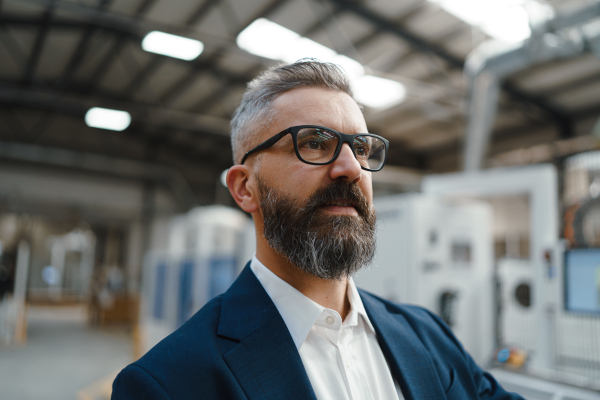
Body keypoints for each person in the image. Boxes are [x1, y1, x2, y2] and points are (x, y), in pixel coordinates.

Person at [112, 59, 523, 400]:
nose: (350, 168)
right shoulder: (169, 383)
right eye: (313, 143)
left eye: (360, 148)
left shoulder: (427, 335)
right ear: (244, 188)